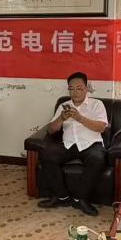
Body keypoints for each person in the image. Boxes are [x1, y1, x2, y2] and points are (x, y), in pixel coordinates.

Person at [37, 72, 108, 217]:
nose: (75, 92)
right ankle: (61, 196)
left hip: (91, 144)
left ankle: (80, 199)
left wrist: (80, 118)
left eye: (79, 88)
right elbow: (51, 130)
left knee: (97, 159)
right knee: (46, 154)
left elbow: (101, 127)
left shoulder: (96, 104)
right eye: (71, 89)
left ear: (86, 89)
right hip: (68, 144)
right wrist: (61, 119)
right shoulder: (64, 106)